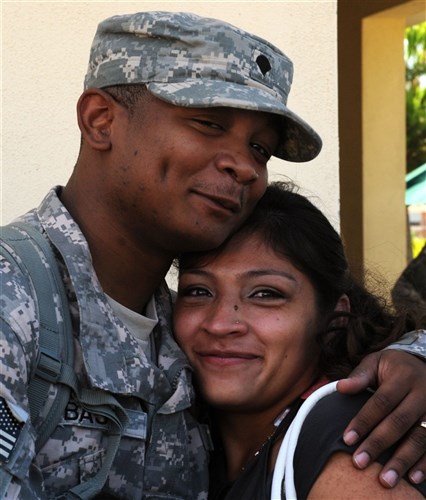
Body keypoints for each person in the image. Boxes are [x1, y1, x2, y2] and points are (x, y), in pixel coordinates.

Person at [0, 10, 425, 499]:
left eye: (260, 149)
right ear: (101, 121)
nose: (243, 166)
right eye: (207, 124)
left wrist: (412, 357)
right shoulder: (19, 299)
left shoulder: (184, 331)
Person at [173, 181, 426, 499]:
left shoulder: (350, 438)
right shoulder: (181, 428)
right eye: (198, 291)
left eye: (266, 294)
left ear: (333, 317)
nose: (221, 324)